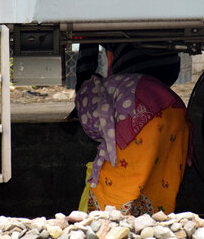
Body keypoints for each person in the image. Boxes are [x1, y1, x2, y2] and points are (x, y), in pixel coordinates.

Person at [75, 73, 191, 215]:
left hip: (141, 114)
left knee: (117, 178)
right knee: (161, 174)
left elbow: (103, 124)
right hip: (177, 114)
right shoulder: (111, 85)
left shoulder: (86, 97)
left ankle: (109, 220)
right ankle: (157, 221)